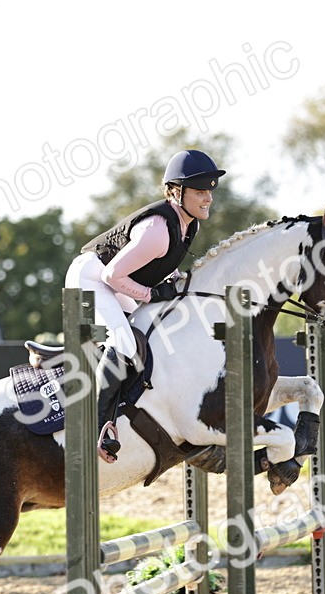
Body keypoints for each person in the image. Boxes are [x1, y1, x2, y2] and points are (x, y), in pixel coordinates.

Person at [64, 149, 225, 463]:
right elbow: (112, 275)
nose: (208, 199)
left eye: (209, 191)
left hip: (111, 281)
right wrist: (151, 295)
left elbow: (152, 268)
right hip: (90, 279)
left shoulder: (188, 225)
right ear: (175, 192)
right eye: (200, 191)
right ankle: (94, 429)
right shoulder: (158, 231)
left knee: (148, 334)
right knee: (124, 341)